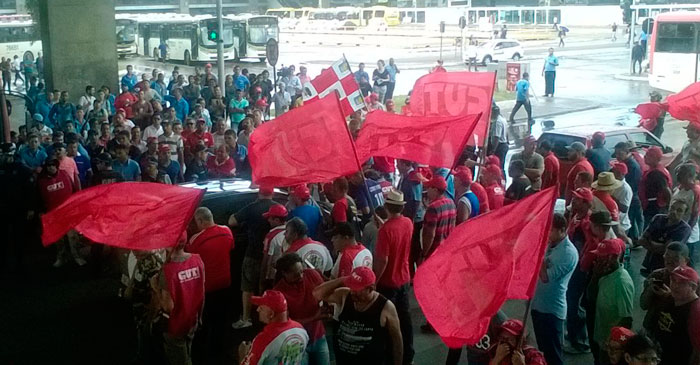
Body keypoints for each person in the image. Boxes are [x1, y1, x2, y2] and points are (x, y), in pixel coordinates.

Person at [313, 266, 403, 365]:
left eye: (357, 289)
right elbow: (317, 294)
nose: (352, 292)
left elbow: (397, 340)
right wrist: (344, 279)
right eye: (351, 287)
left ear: (371, 288)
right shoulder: (344, 295)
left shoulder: (386, 307)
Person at [187, 207, 234, 363]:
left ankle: (202, 357)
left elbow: (190, 260)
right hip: (225, 284)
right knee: (221, 321)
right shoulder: (227, 231)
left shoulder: (196, 240)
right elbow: (231, 248)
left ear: (200, 221)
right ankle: (219, 352)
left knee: (204, 324)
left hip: (206, 288)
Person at [531, 213, 578, 365]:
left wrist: (540, 258)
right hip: (538, 305)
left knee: (553, 355)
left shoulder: (567, 253)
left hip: (551, 310)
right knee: (543, 350)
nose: (547, 233)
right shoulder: (551, 244)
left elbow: (545, 277)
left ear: (562, 230)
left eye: (550, 230)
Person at [229, 186, 277, 329]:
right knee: (269, 286)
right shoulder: (278, 207)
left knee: (248, 286)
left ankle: (246, 318)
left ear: (259, 193)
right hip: (272, 256)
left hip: (252, 253)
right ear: (272, 193)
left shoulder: (252, 207)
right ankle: (268, 317)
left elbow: (232, 221)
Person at [155, 232, 205, 365]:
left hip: (175, 325)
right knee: (188, 349)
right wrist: (199, 317)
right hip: (192, 319)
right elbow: (202, 291)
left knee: (179, 358)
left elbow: (168, 307)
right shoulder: (197, 260)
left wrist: (155, 288)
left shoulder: (167, 271)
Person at [273, 254, 330, 364]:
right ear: (284, 273)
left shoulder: (311, 274)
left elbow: (326, 291)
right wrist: (315, 317)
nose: (301, 276)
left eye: (301, 271)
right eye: (295, 274)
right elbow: (286, 323)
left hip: (318, 335)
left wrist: (328, 306)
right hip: (296, 343)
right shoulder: (279, 292)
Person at [588, 238, 635, 364]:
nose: (598, 260)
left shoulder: (621, 282)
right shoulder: (605, 274)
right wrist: (595, 275)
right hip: (601, 337)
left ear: (613, 258)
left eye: (602, 257)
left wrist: (613, 344)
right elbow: (590, 297)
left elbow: (626, 318)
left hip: (611, 345)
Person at [239, 290, 309, 365]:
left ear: (271, 314)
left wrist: (243, 354)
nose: (257, 309)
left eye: (261, 308)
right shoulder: (300, 329)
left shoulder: (264, 340)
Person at [640, 242, 689, 331]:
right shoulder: (657, 275)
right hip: (652, 326)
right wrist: (650, 290)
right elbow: (643, 305)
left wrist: (670, 296)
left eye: (675, 258)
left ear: (686, 261)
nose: (670, 261)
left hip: (675, 331)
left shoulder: (691, 283)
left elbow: (691, 313)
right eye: (667, 256)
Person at [639, 199, 691, 274]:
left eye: (679, 210)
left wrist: (650, 242)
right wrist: (660, 246)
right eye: (672, 208)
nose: (674, 211)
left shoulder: (684, 229)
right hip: (650, 262)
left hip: (668, 267)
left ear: (684, 214)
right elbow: (641, 240)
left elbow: (667, 250)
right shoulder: (658, 218)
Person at [421, 176, 456, 263]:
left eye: (429, 188)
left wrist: (424, 254)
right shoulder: (451, 203)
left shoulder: (433, 208)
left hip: (433, 252)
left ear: (435, 190)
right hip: (446, 250)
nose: (427, 190)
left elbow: (430, 235)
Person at [614, 142, 643, 242]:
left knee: (631, 220)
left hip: (632, 198)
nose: (617, 156)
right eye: (616, 154)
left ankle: (634, 240)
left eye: (619, 153)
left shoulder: (632, 166)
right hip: (630, 197)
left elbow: (632, 186)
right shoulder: (625, 164)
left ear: (627, 152)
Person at [640, 146, 672, 226]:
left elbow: (666, 191)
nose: (645, 157)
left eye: (648, 155)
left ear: (655, 158)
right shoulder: (657, 169)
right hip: (655, 205)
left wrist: (669, 208)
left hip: (655, 207)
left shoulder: (657, 173)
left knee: (650, 229)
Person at [260, 204, 288, 289]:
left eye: (270, 218)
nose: (268, 220)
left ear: (277, 220)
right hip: (288, 274)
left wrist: (262, 280)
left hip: (273, 276)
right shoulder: (291, 231)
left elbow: (266, 259)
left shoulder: (271, 236)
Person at [489, 105, 509, 174]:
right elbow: (507, 132)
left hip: (499, 146)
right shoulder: (503, 119)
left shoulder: (497, 122)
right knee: (501, 165)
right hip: (504, 144)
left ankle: (501, 180)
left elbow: (496, 137)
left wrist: (493, 150)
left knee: (498, 166)